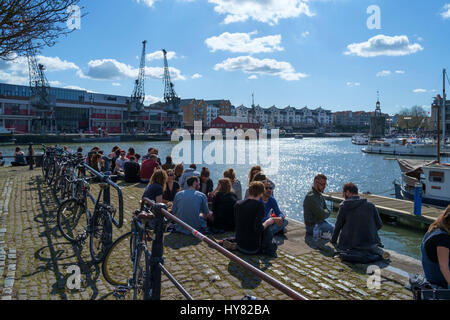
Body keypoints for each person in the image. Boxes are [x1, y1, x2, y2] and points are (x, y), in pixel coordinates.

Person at [330, 183, 387, 263]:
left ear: (348, 192)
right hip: (370, 242)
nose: (344, 196)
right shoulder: (370, 205)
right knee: (372, 247)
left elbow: (338, 226)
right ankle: (375, 250)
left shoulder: (344, 206)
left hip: (349, 244)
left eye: (344, 193)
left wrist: (333, 241)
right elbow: (379, 224)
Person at [234, 181, 278, 257]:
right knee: (268, 226)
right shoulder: (259, 206)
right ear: (261, 193)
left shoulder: (238, 204)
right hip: (252, 248)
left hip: (239, 244)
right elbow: (258, 228)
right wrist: (267, 222)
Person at [420, 205, 450, 289]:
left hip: (431, 275)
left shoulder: (436, 227)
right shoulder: (443, 239)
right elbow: (443, 266)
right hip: (439, 283)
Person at [303, 174, 334, 239]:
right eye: (322, 184)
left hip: (320, 222)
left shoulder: (319, 195)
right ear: (315, 183)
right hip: (312, 226)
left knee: (336, 229)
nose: (324, 186)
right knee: (333, 230)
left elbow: (326, 209)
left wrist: (325, 212)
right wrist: (326, 212)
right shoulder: (311, 197)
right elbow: (322, 214)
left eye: (325, 184)